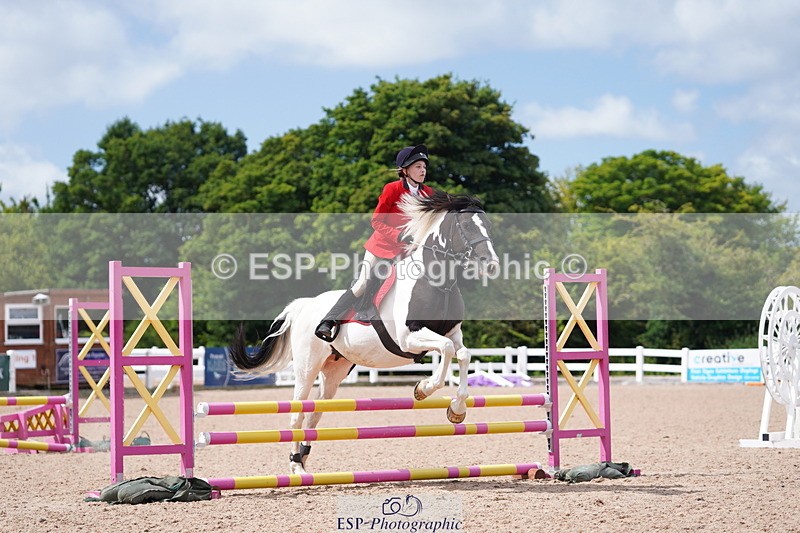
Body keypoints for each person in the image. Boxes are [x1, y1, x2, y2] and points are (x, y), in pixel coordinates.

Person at [315, 144, 433, 342]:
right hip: (382, 246)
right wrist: (398, 235)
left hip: (407, 251)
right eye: (418, 167)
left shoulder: (427, 193)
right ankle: (328, 321)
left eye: (424, 167)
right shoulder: (392, 189)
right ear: (405, 171)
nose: (423, 171)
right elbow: (376, 221)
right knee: (362, 284)